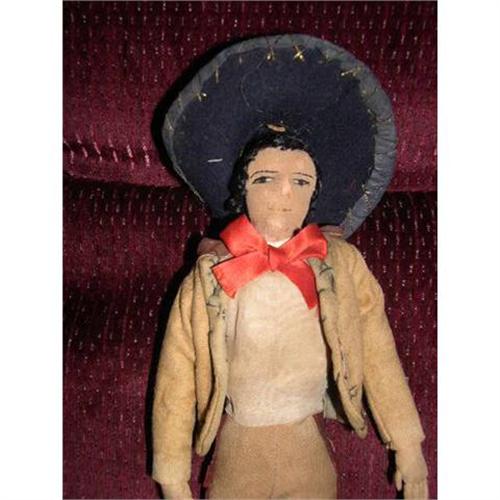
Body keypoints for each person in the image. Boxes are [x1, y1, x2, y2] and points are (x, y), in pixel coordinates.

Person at [152, 34, 430, 499]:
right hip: (239, 448)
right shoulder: (211, 276)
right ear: (242, 188)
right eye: (266, 178)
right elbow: (176, 373)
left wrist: (408, 445)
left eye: (300, 181)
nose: (284, 193)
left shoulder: (340, 264)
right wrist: (172, 474)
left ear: (315, 192)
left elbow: (378, 350)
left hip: (307, 446)